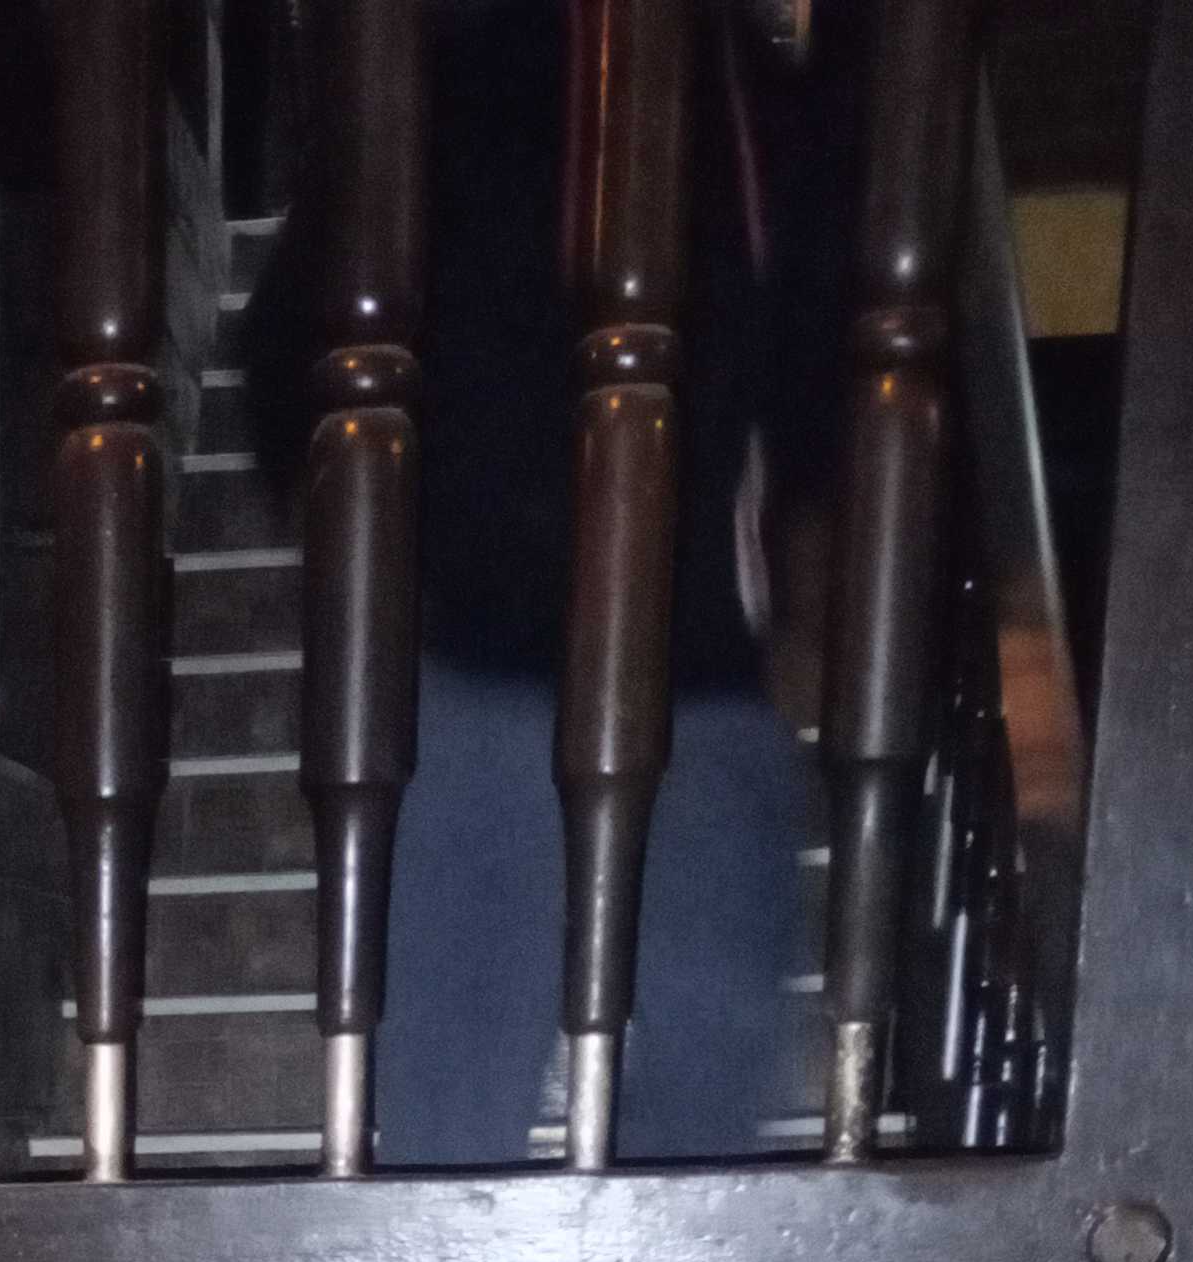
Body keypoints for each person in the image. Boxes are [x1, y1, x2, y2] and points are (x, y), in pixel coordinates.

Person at [242, 0, 853, 1164]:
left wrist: (812, 590)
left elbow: (826, 378)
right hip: (481, 682)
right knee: (448, 1133)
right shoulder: (448, 80)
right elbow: (292, 350)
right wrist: (372, 570)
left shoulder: (759, 103)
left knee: (690, 1139)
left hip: (694, 690)